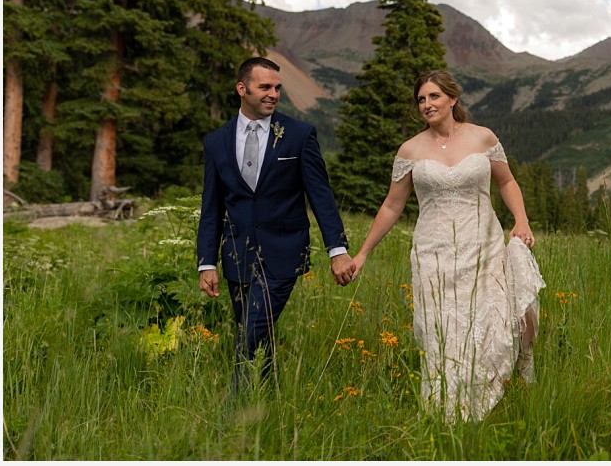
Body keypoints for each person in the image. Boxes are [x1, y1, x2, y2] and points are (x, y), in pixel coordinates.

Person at [352, 70, 546, 422]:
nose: (427, 104)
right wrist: (363, 253)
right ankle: (444, 413)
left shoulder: (483, 138)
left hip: (483, 247)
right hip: (433, 252)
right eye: (422, 99)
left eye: (434, 97)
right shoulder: (410, 150)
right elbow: (392, 206)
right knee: (442, 330)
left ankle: (488, 402)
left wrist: (521, 220)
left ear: (453, 99)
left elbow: (507, 181)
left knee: (488, 324)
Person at [196, 56, 355, 392]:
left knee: (250, 333)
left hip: (284, 252)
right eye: (264, 87)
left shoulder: (299, 135)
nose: (273, 94)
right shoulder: (216, 141)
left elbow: (321, 196)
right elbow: (211, 207)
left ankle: (234, 414)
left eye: (277, 88)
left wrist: (337, 249)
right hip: (237, 255)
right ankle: (269, 399)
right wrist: (206, 261)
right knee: (255, 333)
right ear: (242, 88)